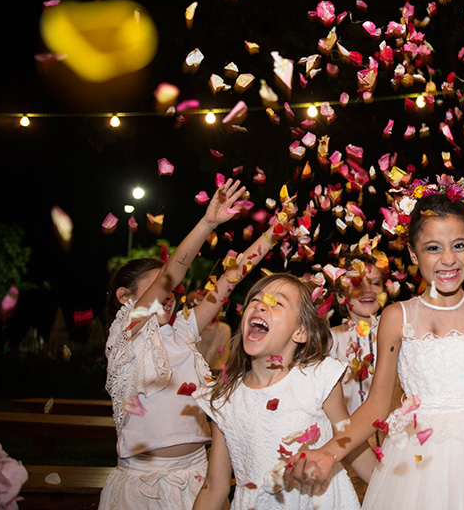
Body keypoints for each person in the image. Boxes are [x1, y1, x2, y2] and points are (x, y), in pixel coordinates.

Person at [292, 181, 464, 510]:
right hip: (424, 462)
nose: (449, 259)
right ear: (413, 253)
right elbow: (376, 405)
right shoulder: (397, 317)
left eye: (459, 245)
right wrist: (328, 452)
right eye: (433, 248)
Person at [101, 179, 251, 509]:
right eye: (156, 286)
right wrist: (209, 222)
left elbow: (229, 280)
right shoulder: (127, 334)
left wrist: (275, 233)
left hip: (199, 476)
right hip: (144, 484)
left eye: (168, 290)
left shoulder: (181, 331)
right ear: (126, 298)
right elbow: (173, 273)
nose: (167, 293)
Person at [192, 272, 376, 510]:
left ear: (300, 332)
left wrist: (393, 490)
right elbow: (214, 487)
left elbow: (350, 444)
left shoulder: (319, 377)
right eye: (255, 300)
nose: (260, 306)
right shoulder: (227, 398)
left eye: (276, 302)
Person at [328, 254, 385, 418]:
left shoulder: (397, 330)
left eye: (375, 283)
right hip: (350, 435)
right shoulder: (331, 339)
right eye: (356, 283)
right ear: (340, 296)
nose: (368, 290)